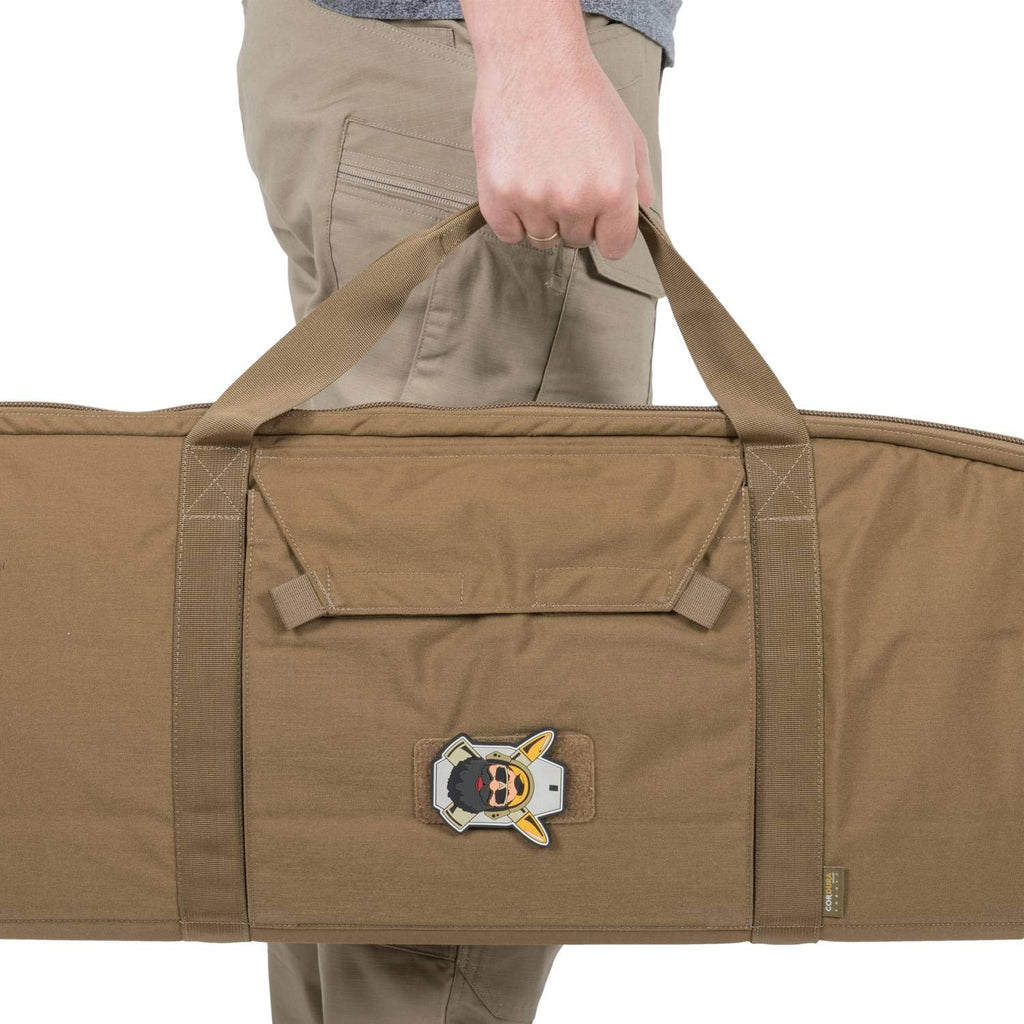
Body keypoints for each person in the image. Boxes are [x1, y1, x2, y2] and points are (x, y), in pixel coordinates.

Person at [237, 0, 680, 1020]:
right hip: (477, 65)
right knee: (448, 865)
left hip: (416, 70)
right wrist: (533, 53)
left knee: (368, 738)